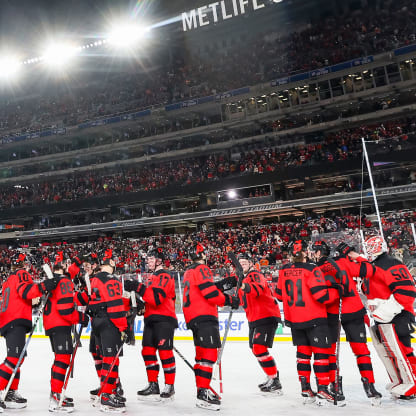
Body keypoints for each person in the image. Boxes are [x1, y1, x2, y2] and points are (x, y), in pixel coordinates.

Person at [310, 241, 381, 403]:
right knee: (361, 350)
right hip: (354, 310)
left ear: (319, 253)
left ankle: (335, 385)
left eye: (313, 252)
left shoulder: (315, 269)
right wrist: (356, 256)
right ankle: (369, 386)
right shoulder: (342, 261)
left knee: (331, 352)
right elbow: (370, 270)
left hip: (331, 313)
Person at [275, 240, 342, 405]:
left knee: (303, 355)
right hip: (314, 317)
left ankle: (305, 388)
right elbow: (322, 296)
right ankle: (323, 389)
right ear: (305, 252)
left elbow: (278, 295)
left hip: (294, 319)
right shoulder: (312, 269)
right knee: (321, 354)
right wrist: (336, 290)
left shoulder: (283, 270)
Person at [0, 254, 59, 410]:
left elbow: (23, 298)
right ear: (24, 264)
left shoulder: (8, 280)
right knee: (14, 358)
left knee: (18, 358)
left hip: (9, 320)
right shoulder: (21, 274)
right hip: (15, 320)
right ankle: (5, 388)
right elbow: (26, 292)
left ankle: (11, 391)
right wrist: (44, 286)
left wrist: (37, 297)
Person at [361, 235, 416, 399]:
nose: (367, 250)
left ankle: (412, 384)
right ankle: (401, 381)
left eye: (370, 246)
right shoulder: (373, 266)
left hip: (397, 315)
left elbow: (407, 292)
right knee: (391, 352)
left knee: (403, 350)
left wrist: (384, 310)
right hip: (383, 317)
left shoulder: (391, 263)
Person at [182, 243, 236, 411]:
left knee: (200, 356)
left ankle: (201, 389)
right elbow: (210, 294)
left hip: (193, 318)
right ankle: (203, 393)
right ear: (203, 255)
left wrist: (224, 284)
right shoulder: (202, 269)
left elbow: (205, 288)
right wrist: (230, 300)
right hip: (205, 316)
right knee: (209, 355)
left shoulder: (188, 271)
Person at [124, 248, 178, 401]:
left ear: (160, 261)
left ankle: (169, 385)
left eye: (151, 259)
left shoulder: (164, 275)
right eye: (147, 259)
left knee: (164, 351)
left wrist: (138, 287)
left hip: (164, 319)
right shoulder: (152, 278)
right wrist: (139, 305)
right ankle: (153, 384)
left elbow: (157, 298)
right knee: (147, 351)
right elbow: (150, 300)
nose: (148, 261)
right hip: (151, 319)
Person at [233, 253, 282, 393]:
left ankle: (275, 380)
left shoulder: (255, 275)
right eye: (240, 263)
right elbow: (244, 300)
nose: (242, 265)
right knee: (255, 349)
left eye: (244, 263)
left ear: (250, 264)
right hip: (254, 318)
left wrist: (243, 286)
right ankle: (271, 376)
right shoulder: (242, 279)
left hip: (265, 315)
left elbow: (257, 289)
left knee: (259, 348)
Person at [44, 261, 88, 412]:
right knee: (62, 360)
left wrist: (87, 296)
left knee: (59, 359)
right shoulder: (65, 282)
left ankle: (55, 393)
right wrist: (82, 318)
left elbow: (74, 297)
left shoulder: (56, 281)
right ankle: (56, 396)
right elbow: (65, 310)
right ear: (63, 270)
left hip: (51, 324)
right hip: (60, 324)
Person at [88, 257, 128, 413]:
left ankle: (108, 391)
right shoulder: (114, 279)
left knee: (105, 358)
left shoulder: (94, 278)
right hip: (110, 321)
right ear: (111, 263)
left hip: (97, 321)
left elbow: (91, 302)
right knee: (111, 360)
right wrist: (124, 326)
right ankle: (107, 395)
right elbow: (115, 305)